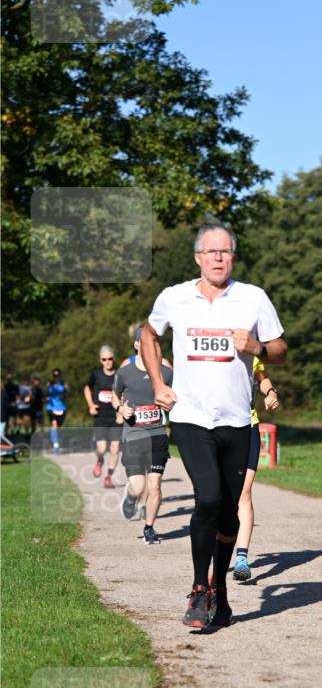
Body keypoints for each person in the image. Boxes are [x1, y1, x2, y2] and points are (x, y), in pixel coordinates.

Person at [140, 221, 287, 629]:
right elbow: (148, 336)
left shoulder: (253, 298)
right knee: (207, 497)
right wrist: (157, 384)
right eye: (211, 252)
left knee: (227, 514)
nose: (218, 258)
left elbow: (280, 350)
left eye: (225, 252)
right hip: (190, 418)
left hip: (237, 421)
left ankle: (219, 589)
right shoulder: (174, 297)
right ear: (198, 258)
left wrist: (257, 347)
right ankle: (198, 588)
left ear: (233, 258)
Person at [113, 327, 173, 545]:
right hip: (133, 435)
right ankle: (131, 496)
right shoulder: (125, 372)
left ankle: (149, 528)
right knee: (138, 487)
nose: (150, 346)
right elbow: (115, 395)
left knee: (154, 485)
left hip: (157, 434)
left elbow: (176, 397)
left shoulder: (166, 373)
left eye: (154, 343)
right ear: (137, 344)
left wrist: (171, 404)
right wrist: (120, 408)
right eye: (145, 341)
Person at [232, 357, 280, 582]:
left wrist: (270, 392)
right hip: (217, 428)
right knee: (218, 495)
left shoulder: (251, 353)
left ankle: (241, 558)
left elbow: (261, 377)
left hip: (248, 426)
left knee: (244, 493)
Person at [84, 346, 122, 488]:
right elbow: (87, 388)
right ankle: (99, 460)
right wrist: (91, 405)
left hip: (115, 417)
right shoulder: (96, 374)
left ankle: (108, 477)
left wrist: (121, 411)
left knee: (115, 448)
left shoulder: (119, 375)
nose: (107, 362)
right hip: (100, 416)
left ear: (114, 359)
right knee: (102, 448)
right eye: (104, 359)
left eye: (110, 359)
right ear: (100, 360)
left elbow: (125, 393)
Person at [46, 369, 69, 453]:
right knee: (54, 425)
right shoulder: (49, 384)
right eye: (55, 376)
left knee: (58, 428)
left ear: (60, 375)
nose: (56, 377)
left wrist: (64, 395)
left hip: (61, 408)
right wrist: (46, 398)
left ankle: (57, 442)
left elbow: (68, 394)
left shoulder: (63, 384)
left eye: (58, 375)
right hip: (51, 407)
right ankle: (56, 445)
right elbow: (46, 394)